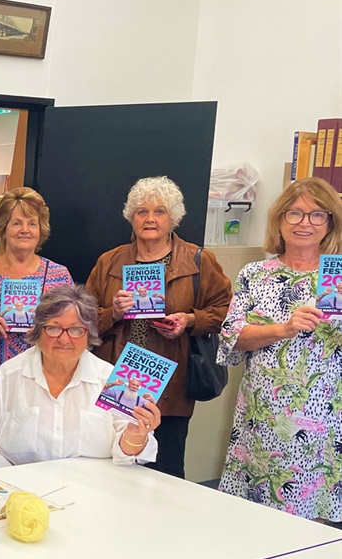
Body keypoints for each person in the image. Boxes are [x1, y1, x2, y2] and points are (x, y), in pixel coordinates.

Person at [85, 176, 231, 479]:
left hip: (171, 382)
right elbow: (83, 319)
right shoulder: (108, 262)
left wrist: (190, 320)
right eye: (142, 211)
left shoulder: (199, 261)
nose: (150, 218)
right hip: (117, 376)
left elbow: (227, 311)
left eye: (160, 211)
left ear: (173, 218)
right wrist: (113, 312)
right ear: (131, 217)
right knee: (111, 468)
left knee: (164, 471)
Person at [217, 177, 342, 522]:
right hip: (263, 412)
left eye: (318, 215)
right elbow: (232, 336)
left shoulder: (339, 274)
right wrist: (283, 328)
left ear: (330, 223)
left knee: (311, 515)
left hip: (324, 414)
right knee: (252, 515)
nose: (305, 223)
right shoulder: (255, 273)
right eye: (295, 214)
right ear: (279, 219)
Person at [0, 285, 161, 469]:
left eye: (76, 329)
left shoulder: (109, 379)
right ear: (37, 330)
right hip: (19, 491)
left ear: (89, 334)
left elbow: (128, 454)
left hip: (93, 491)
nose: (64, 339)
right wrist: (13, 483)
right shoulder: (8, 375)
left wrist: (135, 437)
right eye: (53, 328)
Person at [0, 189, 73, 466]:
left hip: (39, 393)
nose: (25, 230)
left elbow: (73, 332)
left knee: (33, 469)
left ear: (41, 230)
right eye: (17, 222)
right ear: (4, 228)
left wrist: (50, 328)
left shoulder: (58, 275)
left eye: (32, 223)